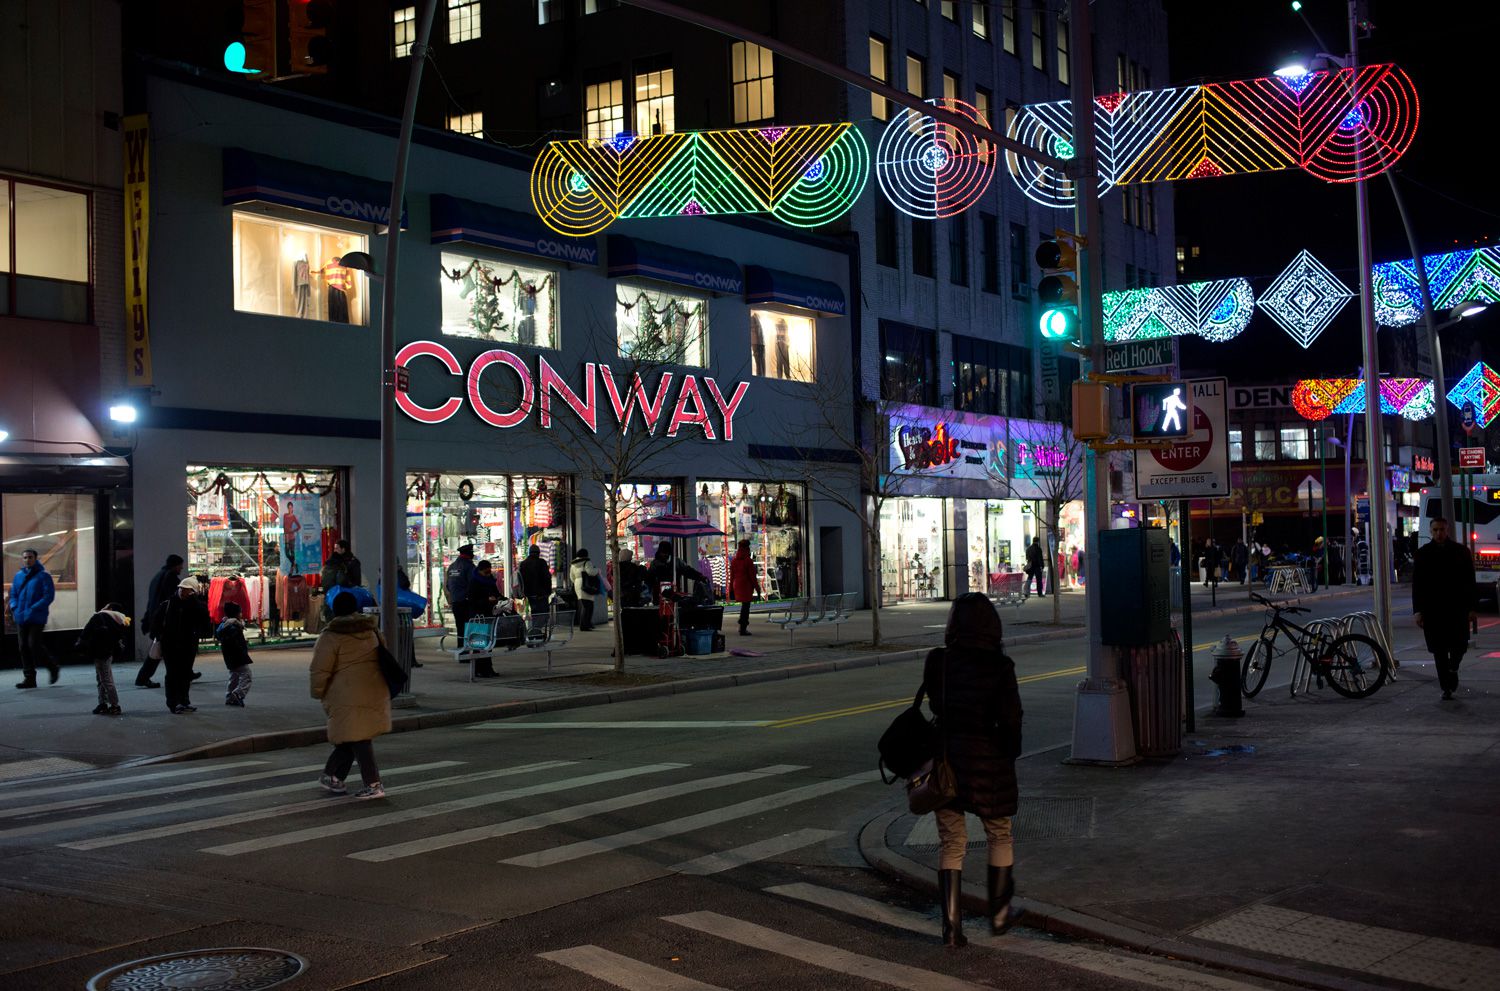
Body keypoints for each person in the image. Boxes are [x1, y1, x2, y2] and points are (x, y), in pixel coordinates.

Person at [922, 593, 1025, 947]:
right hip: (989, 763)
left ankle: (951, 928)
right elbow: (1011, 720)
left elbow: (936, 704)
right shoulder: (1000, 667)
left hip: (947, 759)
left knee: (952, 841)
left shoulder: (939, 662)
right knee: (999, 834)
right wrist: (1010, 754)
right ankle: (999, 915)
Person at [310, 591, 390, 799]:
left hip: (345, 693)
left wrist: (317, 691)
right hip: (373, 688)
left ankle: (373, 784)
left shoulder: (331, 635)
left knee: (359, 738)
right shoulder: (371, 630)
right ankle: (333, 777)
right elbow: (384, 653)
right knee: (352, 734)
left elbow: (320, 668)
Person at [1412, 517, 1477, 701]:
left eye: (1441, 529)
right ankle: (1446, 686)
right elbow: (1418, 585)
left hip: (1457, 608)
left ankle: (1453, 668)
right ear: (1431, 531)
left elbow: (1469, 581)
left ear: (1447, 530)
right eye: (1435, 530)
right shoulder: (1423, 554)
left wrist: (1472, 608)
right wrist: (1418, 611)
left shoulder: (1461, 552)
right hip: (1433, 610)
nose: (1439, 533)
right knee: (1439, 651)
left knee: (1459, 646)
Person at [153, 577, 212, 713]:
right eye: (181, 589)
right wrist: (160, 636)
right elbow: (156, 622)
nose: (183, 592)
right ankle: (173, 703)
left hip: (188, 645)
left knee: (186, 674)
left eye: (186, 590)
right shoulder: (168, 604)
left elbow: (204, 622)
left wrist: (195, 603)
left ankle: (184, 701)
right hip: (170, 645)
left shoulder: (195, 605)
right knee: (172, 674)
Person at [7, 548, 58, 689]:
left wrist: (33, 608)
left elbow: (49, 596)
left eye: (30, 557)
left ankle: (52, 666)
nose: (27, 560)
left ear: (36, 558)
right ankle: (29, 678)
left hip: (37, 616)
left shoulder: (43, 576)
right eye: (25, 557)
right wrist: (14, 607)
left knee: (33, 645)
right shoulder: (18, 576)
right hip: (20, 616)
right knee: (23, 647)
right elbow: (13, 594)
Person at [136, 553, 183, 688]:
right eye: (180, 565)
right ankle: (144, 677)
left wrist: (147, 618)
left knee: (159, 649)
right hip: (164, 621)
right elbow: (172, 600)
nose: (181, 568)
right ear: (175, 565)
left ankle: (184, 674)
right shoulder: (170, 578)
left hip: (156, 618)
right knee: (160, 650)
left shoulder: (158, 576)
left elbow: (152, 600)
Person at [78, 603, 130, 715]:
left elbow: (86, 632)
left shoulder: (99, 616)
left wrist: (80, 644)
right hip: (109, 652)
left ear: (110, 608)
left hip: (99, 651)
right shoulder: (119, 620)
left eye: (106, 606)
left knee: (105, 680)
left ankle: (114, 705)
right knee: (103, 678)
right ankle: (103, 703)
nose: (103, 607)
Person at [215, 601, 254, 707]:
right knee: (247, 675)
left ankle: (230, 697)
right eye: (240, 612)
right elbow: (235, 644)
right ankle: (238, 694)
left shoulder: (225, 625)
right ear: (236, 614)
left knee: (234, 676)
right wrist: (242, 653)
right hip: (237, 656)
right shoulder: (233, 626)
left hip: (230, 657)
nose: (241, 614)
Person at [729, 539, 761, 636]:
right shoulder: (748, 560)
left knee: (744, 606)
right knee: (746, 607)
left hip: (737, 585)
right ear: (747, 548)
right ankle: (743, 628)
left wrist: (730, 589)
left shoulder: (734, 560)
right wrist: (758, 589)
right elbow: (752, 577)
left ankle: (742, 626)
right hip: (745, 586)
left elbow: (732, 576)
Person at [445, 544, 478, 638]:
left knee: (460, 627)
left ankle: (461, 649)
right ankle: (472, 647)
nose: (473, 554)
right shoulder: (469, 566)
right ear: (469, 553)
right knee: (470, 626)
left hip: (455, 601)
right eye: (472, 553)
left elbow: (448, 585)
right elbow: (473, 584)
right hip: (467, 602)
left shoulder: (452, 566)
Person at [569, 549, 602, 631]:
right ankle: (584, 625)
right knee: (588, 606)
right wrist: (597, 570)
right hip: (587, 585)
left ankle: (588, 623)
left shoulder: (573, 564)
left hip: (578, 584)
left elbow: (571, 577)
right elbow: (590, 572)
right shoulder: (587, 562)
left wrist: (577, 581)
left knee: (585, 605)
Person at [519, 544, 553, 622]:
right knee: (543, 615)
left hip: (530, 594)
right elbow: (547, 578)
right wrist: (548, 591)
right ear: (538, 553)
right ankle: (539, 631)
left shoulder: (523, 564)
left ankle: (535, 631)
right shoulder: (542, 562)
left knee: (535, 614)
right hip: (542, 594)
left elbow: (521, 580)